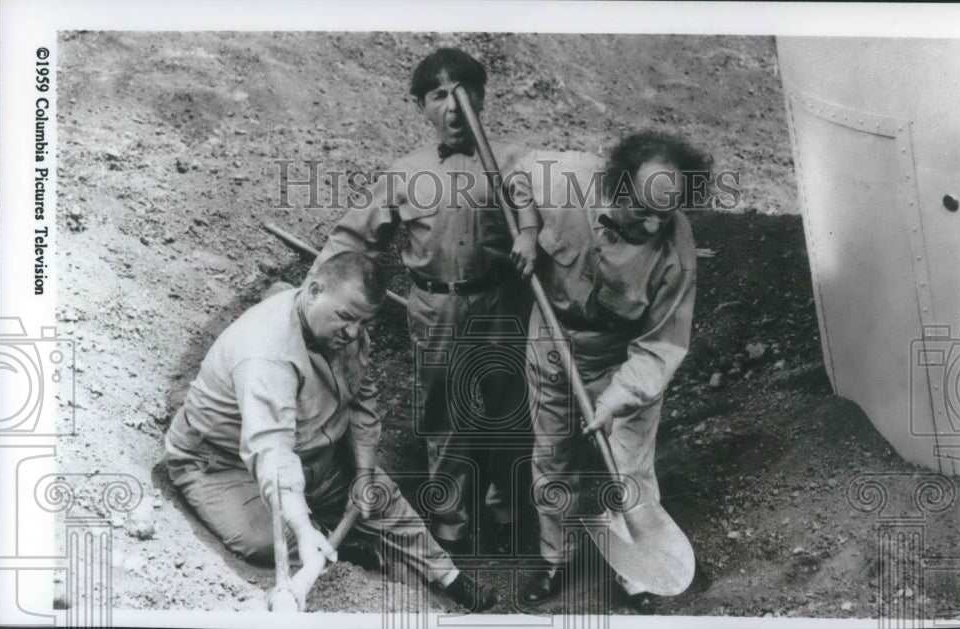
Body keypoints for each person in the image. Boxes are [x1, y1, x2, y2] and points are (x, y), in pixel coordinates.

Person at [163, 251, 499, 612]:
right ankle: (331, 541)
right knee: (262, 539)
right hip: (222, 462)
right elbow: (271, 452)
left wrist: (364, 476)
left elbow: (362, 402)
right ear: (313, 291)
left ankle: (449, 578)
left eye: (363, 322)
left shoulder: (348, 333)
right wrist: (303, 529)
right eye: (345, 317)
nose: (353, 332)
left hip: (313, 451)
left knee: (382, 498)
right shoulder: (265, 353)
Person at [309, 47, 538, 557]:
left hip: (503, 305)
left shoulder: (520, 162)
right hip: (435, 310)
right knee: (446, 414)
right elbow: (354, 237)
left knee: (506, 408)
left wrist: (531, 233)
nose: (454, 107)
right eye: (440, 95)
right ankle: (450, 525)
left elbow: (557, 221)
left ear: (482, 98)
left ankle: (507, 515)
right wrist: (313, 288)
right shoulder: (405, 172)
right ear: (421, 106)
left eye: (464, 93)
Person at [519, 130, 708, 612]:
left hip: (622, 354)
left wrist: (614, 399)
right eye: (640, 208)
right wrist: (525, 229)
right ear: (618, 185)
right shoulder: (567, 180)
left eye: (662, 215)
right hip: (553, 335)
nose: (649, 223)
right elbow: (515, 175)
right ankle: (553, 559)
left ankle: (634, 569)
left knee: (627, 466)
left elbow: (660, 346)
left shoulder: (676, 254)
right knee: (553, 456)